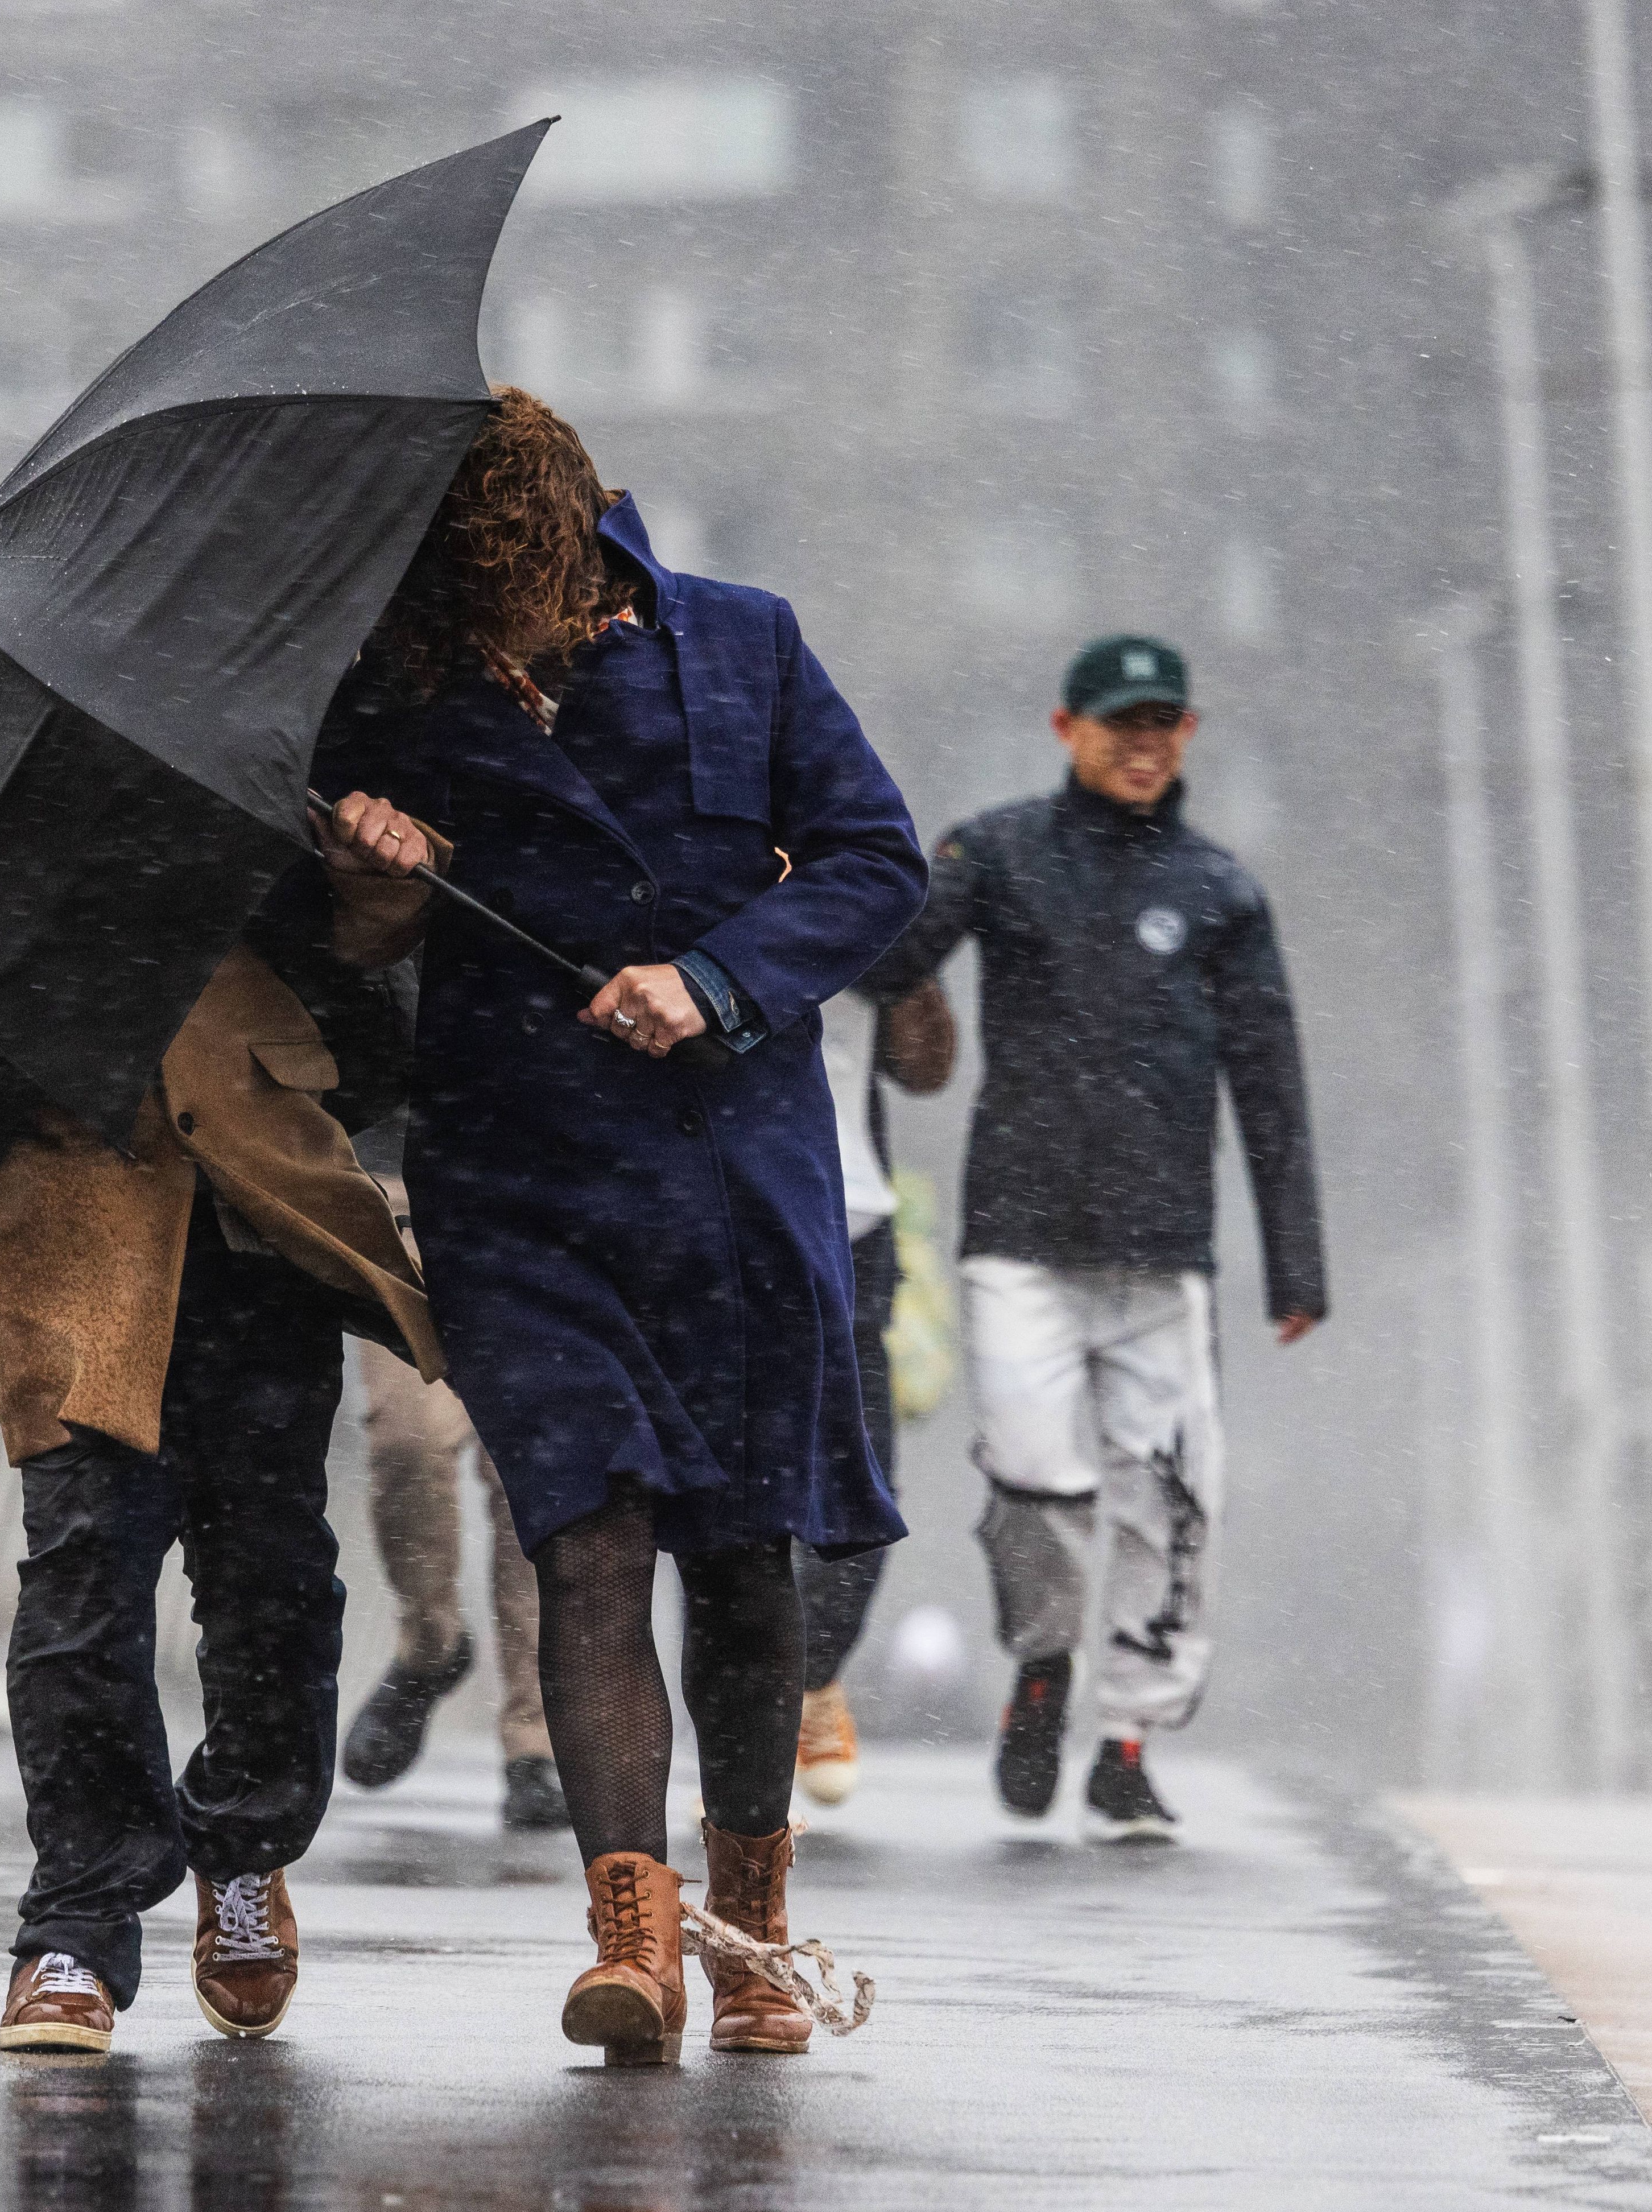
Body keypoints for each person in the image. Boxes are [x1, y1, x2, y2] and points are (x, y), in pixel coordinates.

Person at [318, 387, 926, 2064]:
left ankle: (749, 1926)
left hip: (734, 1178)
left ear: (585, 566)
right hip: (517, 1179)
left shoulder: (748, 646)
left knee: (742, 1563)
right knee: (582, 1537)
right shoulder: (395, 682)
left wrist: (715, 979)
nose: (506, 664)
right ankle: (628, 1935)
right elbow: (347, 941)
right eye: (472, 626)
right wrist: (372, 861)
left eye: (525, 624)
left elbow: (876, 863)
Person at [0, 803, 443, 2058]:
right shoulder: (9, 762)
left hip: (262, 1187)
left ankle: (245, 1850)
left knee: (270, 1572)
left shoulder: (285, 716)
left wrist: (381, 878)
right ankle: (76, 1927)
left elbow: (379, 965)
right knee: (84, 1574)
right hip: (71, 1192)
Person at [872, 633, 1327, 1840]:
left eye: (1163, 722)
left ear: (1188, 737)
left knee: (1171, 1502)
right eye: (1119, 720)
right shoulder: (1001, 851)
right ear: (1065, 727)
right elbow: (891, 954)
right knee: (1040, 1479)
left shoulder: (1221, 892)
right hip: (1019, 1238)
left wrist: (1297, 1264)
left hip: (1165, 1254)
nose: (1141, 741)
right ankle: (1043, 1662)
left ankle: (1126, 1744)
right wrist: (801, 886)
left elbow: (1269, 1081)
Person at [337, 1117, 570, 1833]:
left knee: (530, 1480)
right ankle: (432, 1642)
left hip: (542, 1197)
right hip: (396, 1191)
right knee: (406, 1443)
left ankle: (536, 1746)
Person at [792, 977, 955, 1807]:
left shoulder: (852, 875)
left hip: (855, 1222)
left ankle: (815, 1674)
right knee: (725, 1501)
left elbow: (929, 1066)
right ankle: (744, 1735)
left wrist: (889, 946)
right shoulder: (705, 863)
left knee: (865, 1486)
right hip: (720, 1209)